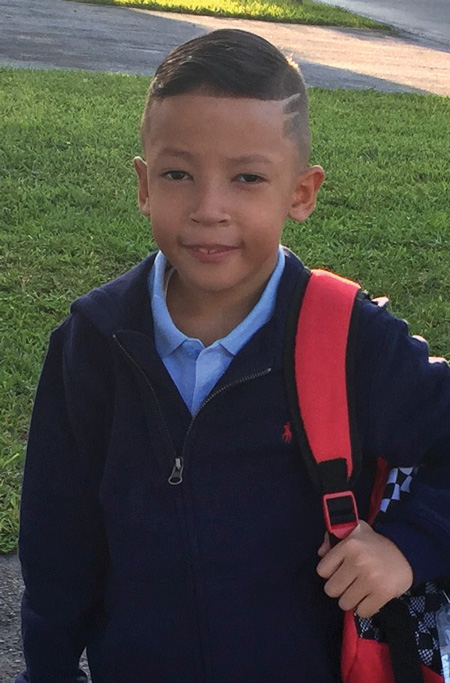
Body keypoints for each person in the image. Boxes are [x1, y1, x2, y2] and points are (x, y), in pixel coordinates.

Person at [16, 29, 450, 683]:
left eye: (247, 177)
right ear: (142, 183)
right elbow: (57, 538)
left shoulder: (348, 338)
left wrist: (408, 543)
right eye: (178, 174)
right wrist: (46, 668)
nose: (208, 209)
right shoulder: (92, 344)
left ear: (300, 193)